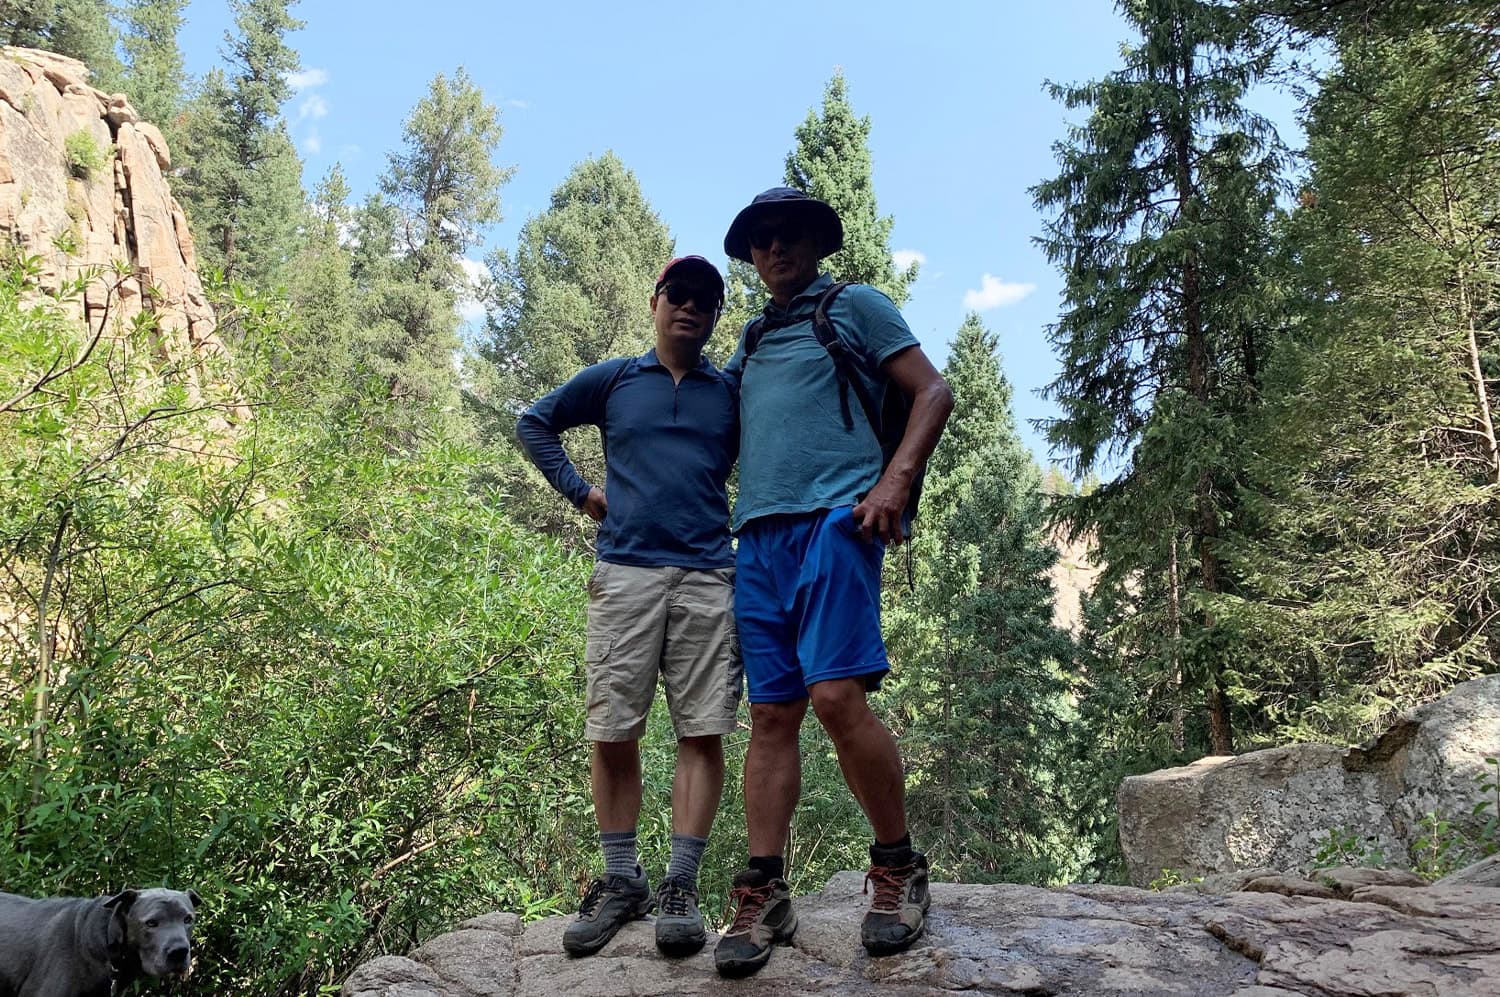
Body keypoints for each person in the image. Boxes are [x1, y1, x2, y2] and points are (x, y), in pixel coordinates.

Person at [712, 188, 954, 978]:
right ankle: (765, 890)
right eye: (761, 239)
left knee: (836, 697)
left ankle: (897, 867)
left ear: (817, 241)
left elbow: (933, 389)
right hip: (760, 537)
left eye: (790, 235)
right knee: (771, 713)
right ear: (750, 254)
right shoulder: (752, 338)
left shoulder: (854, 307)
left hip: (836, 523)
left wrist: (894, 482)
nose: (775, 248)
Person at [516, 255, 741, 959]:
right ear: (655, 301)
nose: (691, 307)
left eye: (706, 300)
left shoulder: (730, 392)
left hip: (709, 575)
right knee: (613, 729)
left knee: (702, 730)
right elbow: (534, 422)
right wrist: (581, 492)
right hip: (626, 574)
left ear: (713, 316)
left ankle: (679, 885)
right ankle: (622, 880)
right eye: (679, 294)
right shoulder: (617, 379)